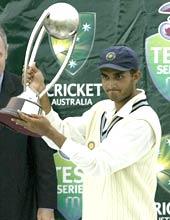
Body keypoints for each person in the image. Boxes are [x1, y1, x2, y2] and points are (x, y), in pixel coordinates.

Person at [15, 45, 161, 220]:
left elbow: (99, 165)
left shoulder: (142, 121)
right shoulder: (102, 110)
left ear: (136, 76)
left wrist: (48, 131)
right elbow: (61, 132)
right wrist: (41, 91)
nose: (111, 84)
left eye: (119, 76)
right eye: (105, 77)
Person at [0, 26, 57, 220]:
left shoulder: (24, 92)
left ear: (6, 53)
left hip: (15, 204)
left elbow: (42, 152)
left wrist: (46, 205)